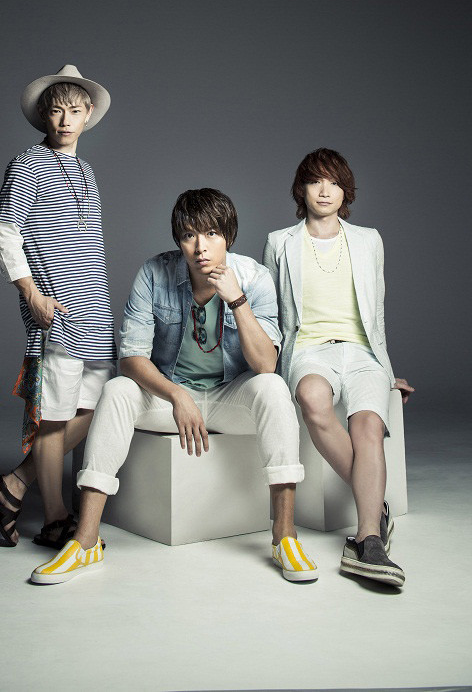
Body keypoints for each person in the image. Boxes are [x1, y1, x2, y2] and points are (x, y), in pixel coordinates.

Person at [30, 188, 318, 584]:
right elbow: (131, 358)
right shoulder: (154, 273)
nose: (201, 247)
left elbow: (265, 364)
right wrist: (177, 394)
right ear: (178, 240)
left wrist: (236, 300)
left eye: (212, 233)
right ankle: (85, 540)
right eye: (189, 235)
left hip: (229, 397)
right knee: (117, 390)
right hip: (170, 398)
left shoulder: (254, 277)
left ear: (228, 235)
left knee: (273, 388)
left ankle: (284, 536)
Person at [263, 148, 414, 587]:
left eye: (333, 182)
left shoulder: (369, 240)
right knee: (312, 399)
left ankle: (368, 539)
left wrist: (385, 369)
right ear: (301, 190)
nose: (325, 190)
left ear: (346, 189)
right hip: (310, 350)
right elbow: (273, 314)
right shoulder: (280, 242)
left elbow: (376, 314)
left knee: (368, 427)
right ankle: (377, 506)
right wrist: (268, 371)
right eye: (315, 181)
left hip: (363, 353)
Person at [0, 65, 117, 549]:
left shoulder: (88, 172)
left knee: (95, 409)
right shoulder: (27, 163)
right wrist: (31, 294)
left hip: (95, 311)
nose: (64, 120)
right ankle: (56, 517)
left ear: (88, 114)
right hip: (55, 310)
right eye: (56, 110)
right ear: (43, 114)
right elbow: (5, 234)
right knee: (55, 416)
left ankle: (14, 485)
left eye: (74, 111)